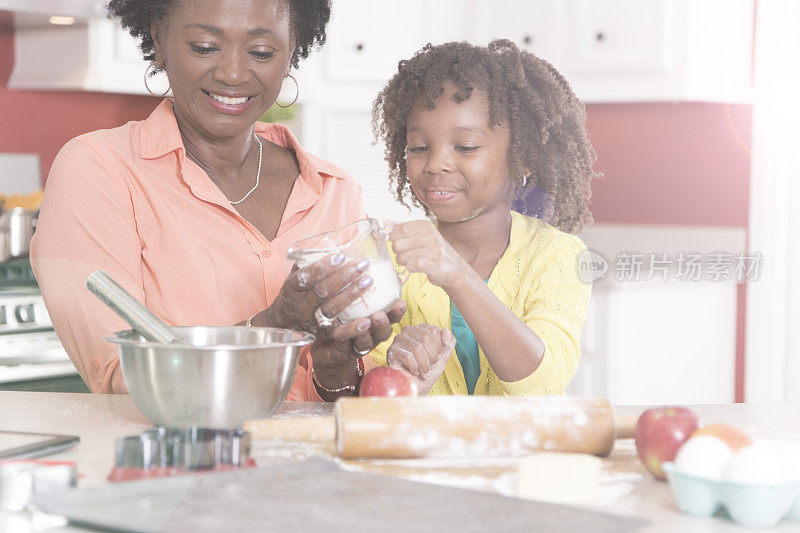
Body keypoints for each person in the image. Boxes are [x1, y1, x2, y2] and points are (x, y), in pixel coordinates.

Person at [30, 0, 403, 399]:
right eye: (205, 46)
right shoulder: (100, 170)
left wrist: (336, 367)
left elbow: (342, 408)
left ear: (292, 50)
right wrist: (273, 329)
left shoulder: (334, 190)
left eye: (261, 52)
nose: (233, 73)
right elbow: (121, 383)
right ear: (159, 37)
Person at [370, 40, 600, 396]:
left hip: (523, 453)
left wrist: (457, 274)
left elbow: (542, 383)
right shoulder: (391, 260)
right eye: (419, 148)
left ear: (523, 156)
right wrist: (401, 365)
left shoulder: (557, 255)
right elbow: (370, 389)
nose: (435, 163)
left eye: (465, 147)